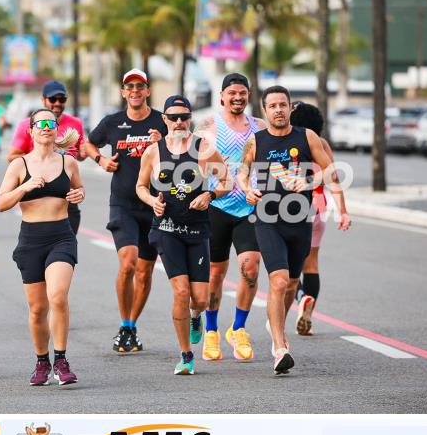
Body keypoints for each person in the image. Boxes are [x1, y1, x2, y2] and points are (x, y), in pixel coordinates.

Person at [238, 86, 351, 375]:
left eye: (282, 105)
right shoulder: (255, 140)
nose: (278, 110)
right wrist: (248, 189)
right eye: (272, 105)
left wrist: (315, 186)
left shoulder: (307, 137)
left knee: (290, 284)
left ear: (290, 108)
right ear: (265, 110)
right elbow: (242, 172)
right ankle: (280, 348)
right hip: (267, 219)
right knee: (277, 282)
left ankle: (278, 325)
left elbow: (331, 171)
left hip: (300, 221)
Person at [136, 95, 232, 375]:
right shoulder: (153, 152)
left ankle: (195, 315)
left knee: (200, 299)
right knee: (180, 291)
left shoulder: (204, 149)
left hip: (198, 229)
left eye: (184, 117)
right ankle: (186, 355)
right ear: (164, 119)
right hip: (166, 230)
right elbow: (140, 186)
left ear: (190, 118)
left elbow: (226, 180)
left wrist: (209, 195)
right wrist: (151, 201)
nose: (179, 122)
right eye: (173, 117)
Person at [0, 108, 85, 386]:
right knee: (37, 309)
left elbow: (79, 190)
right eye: (40, 123)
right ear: (31, 130)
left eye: (51, 123)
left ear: (57, 129)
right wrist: (24, 188)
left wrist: (78, 194)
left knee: (57, 297)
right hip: (31, 239)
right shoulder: (19, 165)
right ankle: (42, 361)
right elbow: (1, 203)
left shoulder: (68, 162)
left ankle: (61, 360)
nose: (46, 127)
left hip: (61, 235)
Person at [82, 69, 166, 353]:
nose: (135, 91)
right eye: (129, 87)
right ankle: (124, 323)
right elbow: (88, 143)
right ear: (123, 92)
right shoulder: (112, 122)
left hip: (155, 205)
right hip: (123, 204)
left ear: (148, 91)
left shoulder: (161, 121)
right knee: (128, 263)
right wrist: (100, 160)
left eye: (140, 86)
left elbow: (183, 148)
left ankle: (130, 326)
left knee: (144, 271)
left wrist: (162, 142)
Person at [192, 73, 266, 362]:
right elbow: (192, 162)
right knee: (215, 274)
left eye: (242, 93)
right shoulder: (208, 125)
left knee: (251, 268)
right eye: (232, 93)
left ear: (248, 95)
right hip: (217, 206)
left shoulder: (259, 126)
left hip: (249, 206)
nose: (237, 97)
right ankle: (211, 331)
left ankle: (238, 328)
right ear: (222, 95)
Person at [7, 81, 86, 234]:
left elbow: (79, 156)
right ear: (43, 100)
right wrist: (41, 158)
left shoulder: (75, 123)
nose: (57, 103)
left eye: (62, 99)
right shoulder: (27, 125)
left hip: (65, 192)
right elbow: (12, 156)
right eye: (53, 99)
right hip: (38, 192)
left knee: (68, 244)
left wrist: (83, 154)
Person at [287, 101, 338, 336]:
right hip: (320, 206)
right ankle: (308, 311)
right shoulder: (322, 143)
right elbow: (334, 176)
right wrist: (343, 210)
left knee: (287, 264)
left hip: (293, 207)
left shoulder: (292, 143)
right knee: (312, 263)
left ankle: (301, 298)